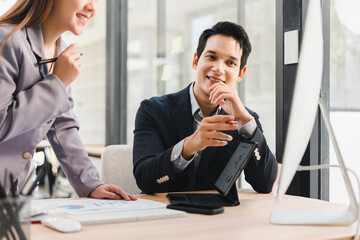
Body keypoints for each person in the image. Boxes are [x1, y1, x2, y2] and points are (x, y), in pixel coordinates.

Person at [0, 0, 137, 200]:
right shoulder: (7, 39)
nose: (92, 7)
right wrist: (58, 82)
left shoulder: (60, 54)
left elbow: (62, 127)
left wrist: (91, 185)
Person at [133, 21, 277, 194]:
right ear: (196, 61)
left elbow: (265, 184)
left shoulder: (245, 120)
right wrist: (189, 145)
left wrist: (246, 122)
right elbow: (144, 179)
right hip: (166, 214)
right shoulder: (152, 110)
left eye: (230, 63)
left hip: (217, 217)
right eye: (211, 57)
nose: (218, 69)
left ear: (240, 73)